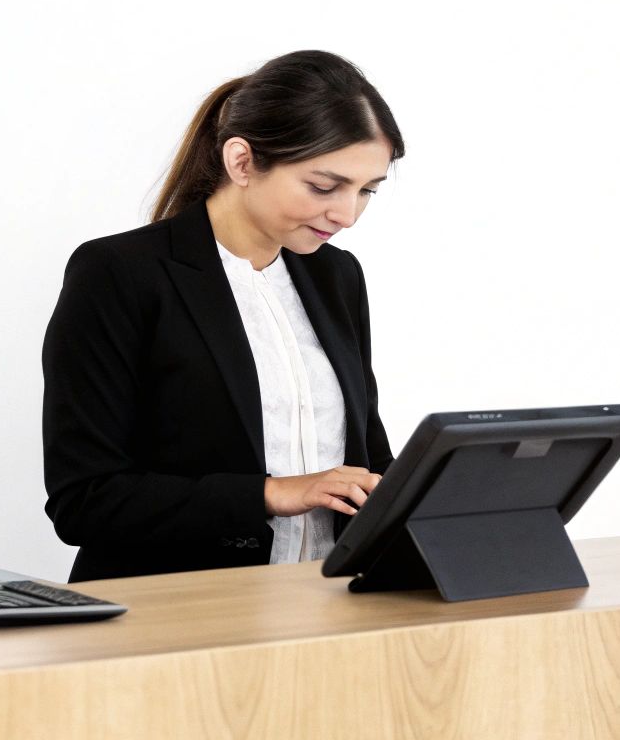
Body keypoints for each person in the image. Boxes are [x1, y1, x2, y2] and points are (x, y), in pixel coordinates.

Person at [41, 51, 402, 582]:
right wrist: (273, 493)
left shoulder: (337, 277)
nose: (347, 215)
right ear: (242, 162)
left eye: (367, 191)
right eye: (324, 187)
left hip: (325, 608)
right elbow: (85, 499)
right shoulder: (119, 274)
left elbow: (367, 461)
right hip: (178, 616)